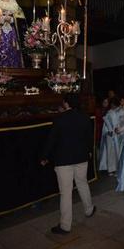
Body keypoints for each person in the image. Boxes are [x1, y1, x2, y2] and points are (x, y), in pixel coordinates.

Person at [40, 94, 96, 234]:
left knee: (65, 192)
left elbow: (52, 140)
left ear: (66, 103)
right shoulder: (85, 117)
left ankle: (65, 225)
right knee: (82, 183)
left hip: (64, 160)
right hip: (82, 157)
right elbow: (89, 137)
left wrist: (45, 156)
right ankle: (89, 209)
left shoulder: (60, 118)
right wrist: (89, 151)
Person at [99, 97, 121, 176]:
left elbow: (119, 122)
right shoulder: (108, 113)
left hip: (117, 134)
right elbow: (106, 124)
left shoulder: (118, 112)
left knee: (116, 152)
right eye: (113, 105)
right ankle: (110, 169)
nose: (113, 106)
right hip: (110, 135)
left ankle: (116, 168)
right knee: (110, 152)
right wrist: (110, 131)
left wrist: (118, 129)